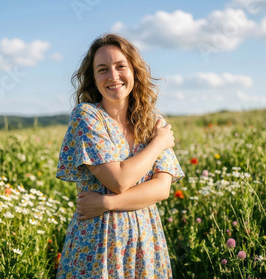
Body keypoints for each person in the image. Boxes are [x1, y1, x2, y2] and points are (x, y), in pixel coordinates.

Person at [56, 33, 184, 278]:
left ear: (134, 71)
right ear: (94, 79)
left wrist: (106, 203)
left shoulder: (151, 122)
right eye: (102, 69)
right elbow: (118, 180)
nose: (113, 76)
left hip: (146, 241)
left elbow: (161, 189)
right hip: (98, 242)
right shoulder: (87, 116)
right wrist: (157, 145)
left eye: (120, 66)